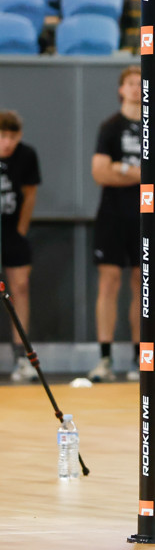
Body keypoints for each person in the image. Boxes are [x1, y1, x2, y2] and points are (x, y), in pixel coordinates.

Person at [88, 66, 142, 383]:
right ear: (121, 89)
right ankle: (104, 359)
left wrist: (121, 168)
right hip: (111, 216)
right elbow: (100, 173)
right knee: (108, 283)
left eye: (140, 83)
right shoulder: (110, 127)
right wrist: (138, 173)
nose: (136, 88)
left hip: (145, 217)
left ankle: (139, 358)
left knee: (141, 283)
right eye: (130, 84)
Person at [0, 111, 41, 383]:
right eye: (2, 137)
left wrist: (21, 229)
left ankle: (22, 357)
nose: (7, 143)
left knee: (20, 288)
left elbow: (30, 194)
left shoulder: (26, 156)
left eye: (12, 137)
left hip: (12, 231)